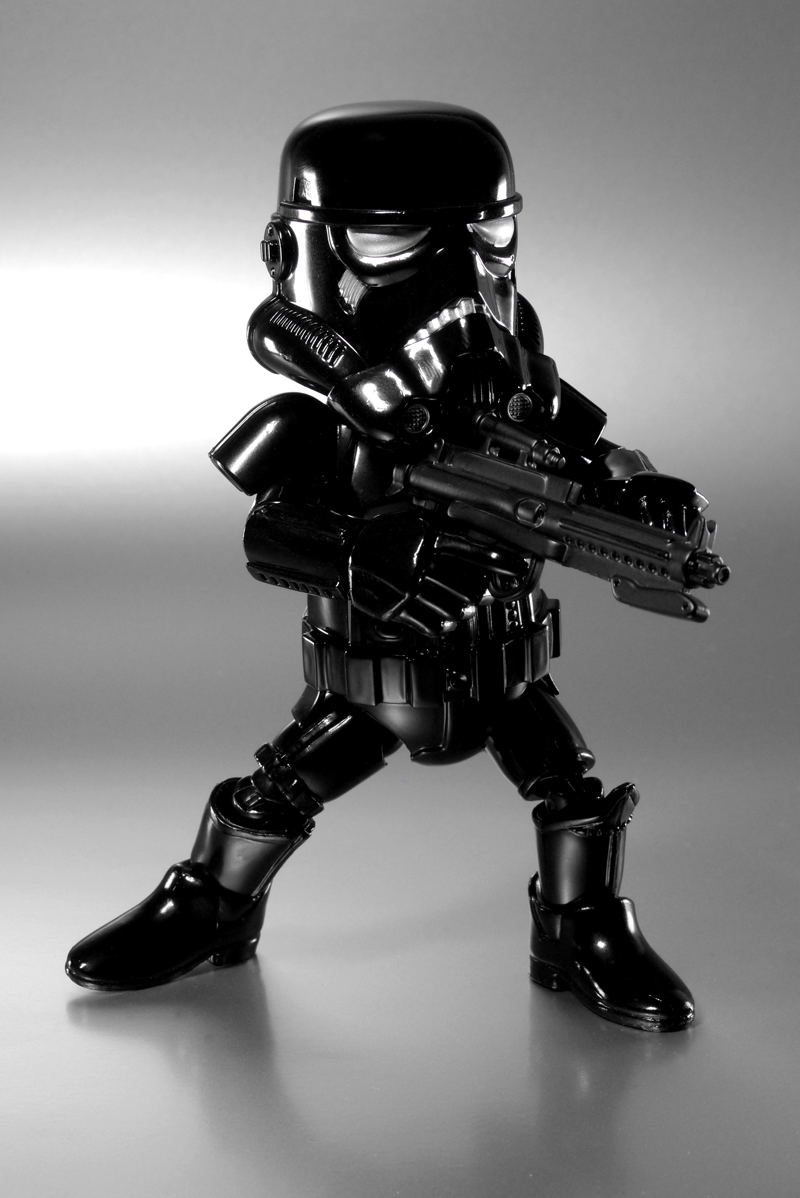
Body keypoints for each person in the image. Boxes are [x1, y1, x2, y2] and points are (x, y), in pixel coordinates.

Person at [67, 102, 714, 1031]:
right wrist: (374, 553)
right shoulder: (311, 421)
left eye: (486, 233)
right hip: (370, 670)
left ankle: (580, 928)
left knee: (568, 785)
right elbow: (271, 536)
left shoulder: (519, 384)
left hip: (501, 661)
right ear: (309, 250)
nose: (456, 275)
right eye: (391, 238)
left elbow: (601, 453)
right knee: (282, 787)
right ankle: (211, 905)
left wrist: (644, 488)